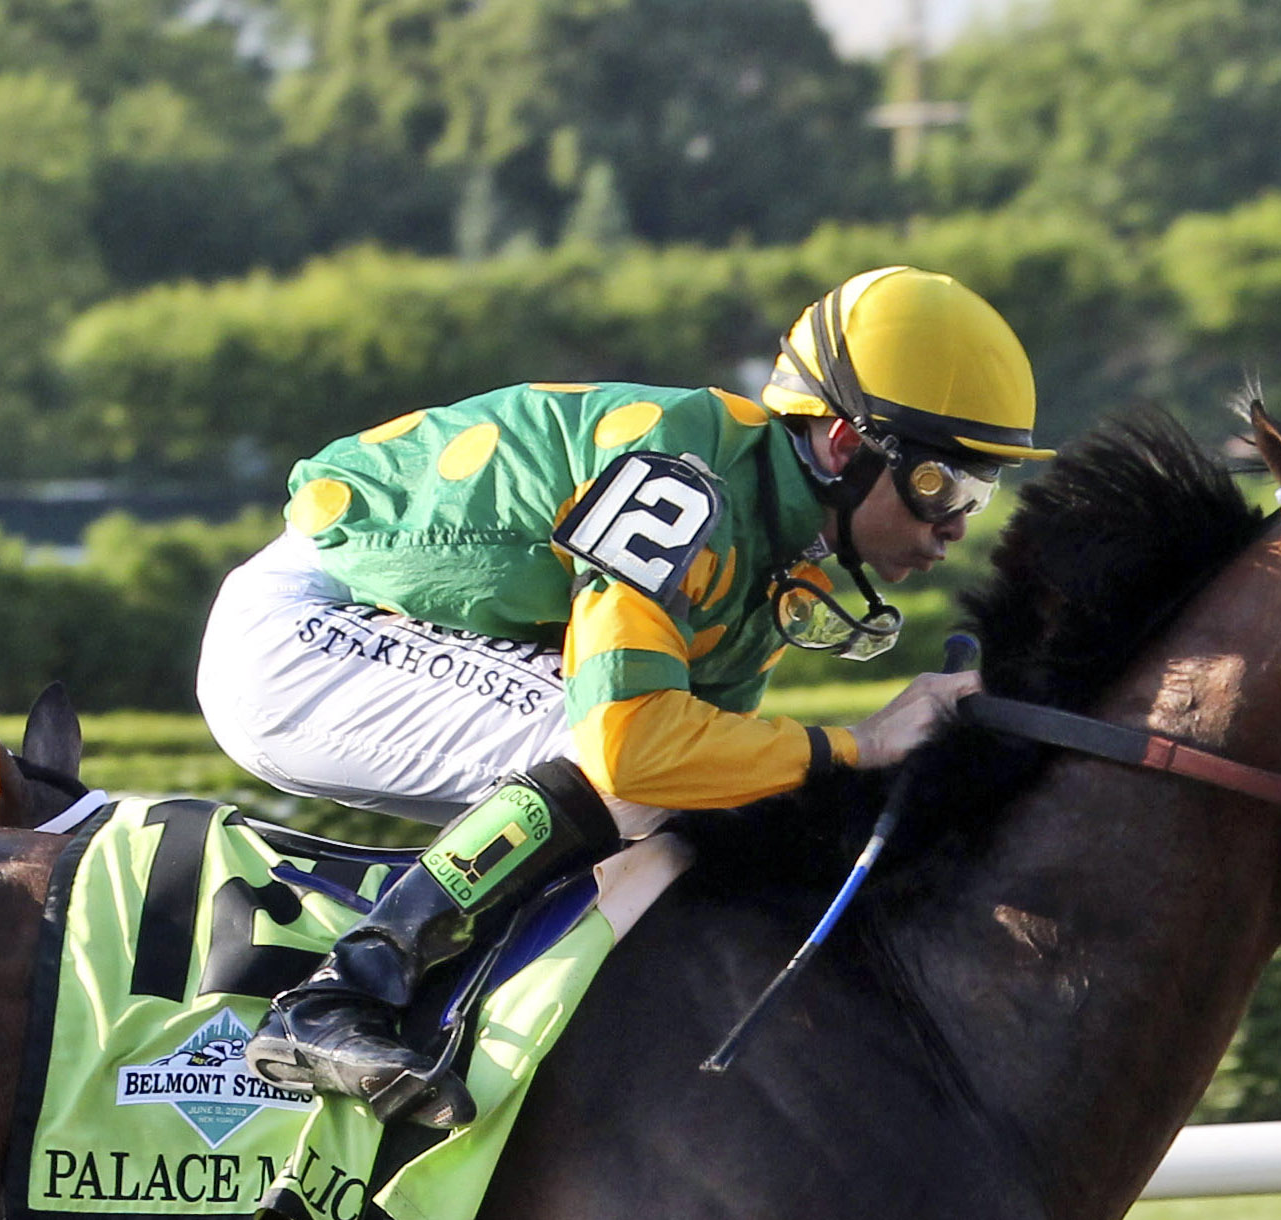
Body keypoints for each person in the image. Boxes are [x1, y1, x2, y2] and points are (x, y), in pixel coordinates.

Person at [194, 267, 1054, 1122]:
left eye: (980, 491)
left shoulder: (776, 551)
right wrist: (859, 746)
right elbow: (631, 751)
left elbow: (709, 778)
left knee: (681, 822)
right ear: (839, 443)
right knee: (625, 762)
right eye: (940, 484)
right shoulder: (679, 478)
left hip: (361, 642)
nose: (956, 526)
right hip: (301, 634)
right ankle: (336, 998)